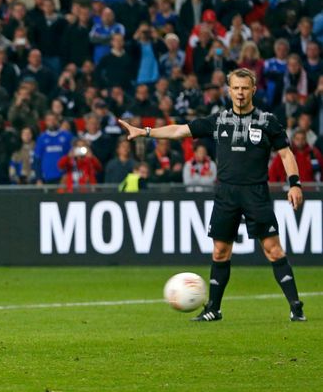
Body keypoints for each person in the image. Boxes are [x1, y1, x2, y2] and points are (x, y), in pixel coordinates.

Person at [119, 68, 306, 322]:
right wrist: (146, 132)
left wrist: (294, 184)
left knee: (273, 249)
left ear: (253, 90)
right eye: (236, 88)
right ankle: (213, 309)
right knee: (219, 251)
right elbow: (179, 130)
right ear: (229, 91)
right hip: (226, 193)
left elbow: (286, 154)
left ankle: (296, 307)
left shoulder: (267, 121)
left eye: (245, 88)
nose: (240, 93)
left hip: (256, 193)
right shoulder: (219, 120)